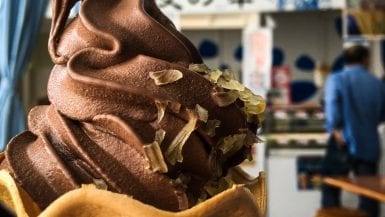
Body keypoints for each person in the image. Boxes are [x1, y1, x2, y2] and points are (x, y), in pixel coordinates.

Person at [321, 44, 385, 217]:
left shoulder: (336, 79)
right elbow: (381, 115)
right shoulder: (377, 83)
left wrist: (335, 127)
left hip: (342, 141)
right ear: (365, 59)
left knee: (331, 187)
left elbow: (332, 106)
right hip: (369, 143)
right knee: (369, 193)